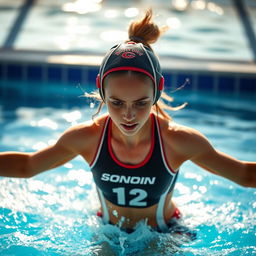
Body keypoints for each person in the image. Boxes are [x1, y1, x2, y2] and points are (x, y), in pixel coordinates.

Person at [0, 9, 255, 235]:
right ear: (101, 90)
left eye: (141, 103)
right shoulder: (87, 138)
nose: (128, 115)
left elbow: (243, 175)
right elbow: (28, 166)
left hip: (164, 233)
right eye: (117, 103)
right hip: (108, 232)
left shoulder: (177, 141)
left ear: (157, 91)